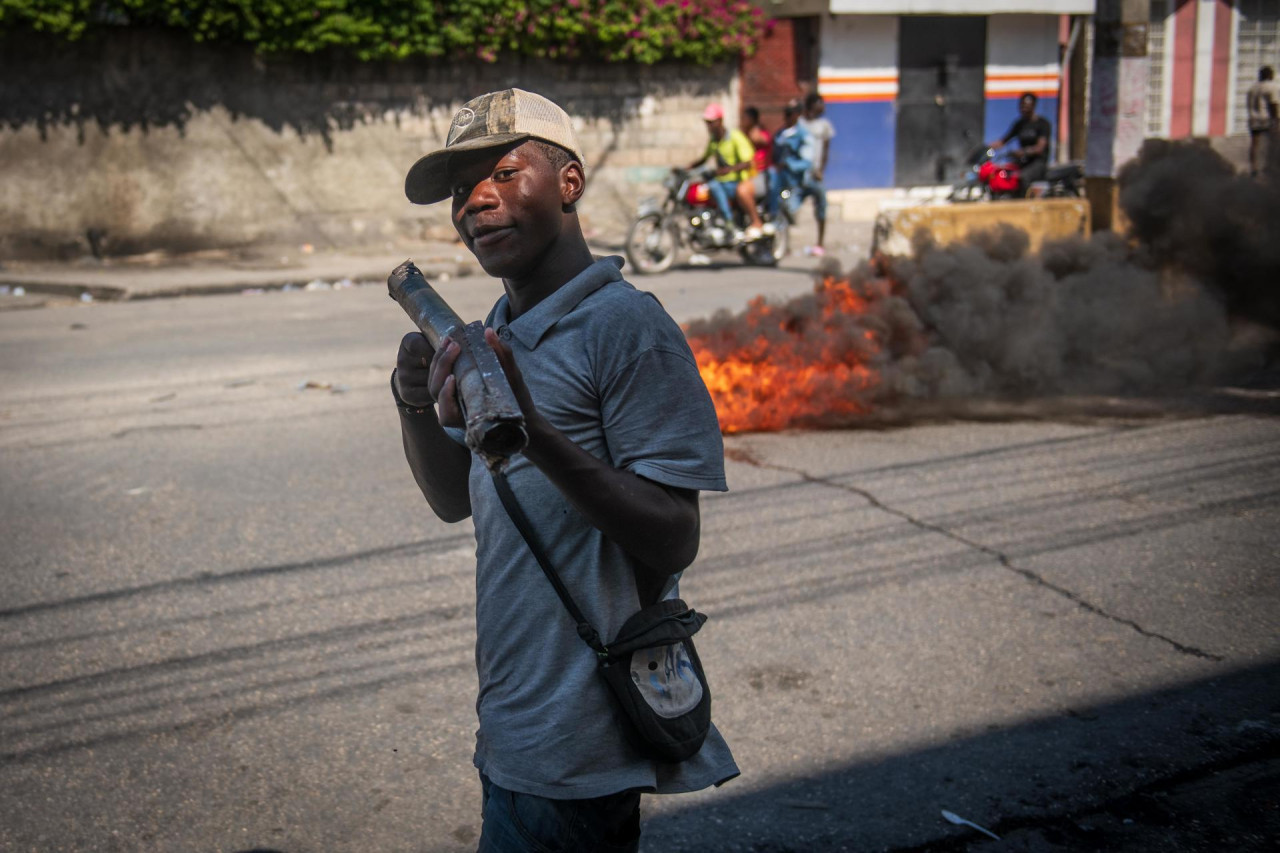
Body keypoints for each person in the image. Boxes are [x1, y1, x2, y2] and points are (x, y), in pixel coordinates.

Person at [393, 88, 739, 853]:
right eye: (461, 190)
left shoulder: (627, 328)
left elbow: (675, 536)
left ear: (570, 184)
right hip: (514, 723)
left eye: (505, 174)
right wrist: (415, 406)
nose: (477, 202)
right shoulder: (490, 335)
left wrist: (534, 430)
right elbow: (458, 500)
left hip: (581, 742)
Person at [684, 103, 767, 241]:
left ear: (720, 121)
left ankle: (729, 222)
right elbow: (704, 158)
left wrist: (727, 170)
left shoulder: (735, 137)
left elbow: (748, 162)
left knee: (714, 185)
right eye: (707, 123)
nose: (709, 126)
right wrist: (687, 167)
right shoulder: (714, 140)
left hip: (738, 182)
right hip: (724, 182)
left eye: (711, 122)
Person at [988, 92, 1051, 197]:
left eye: (1026, 106)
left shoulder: (1042, 124)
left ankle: (1024, 204)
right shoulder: (1020, 124)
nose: (1023, 109)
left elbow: (1040, 148)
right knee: (1005, 174)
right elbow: (1003, 141)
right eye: (1021, 106)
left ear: (1033, 106)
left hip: (1038, 162)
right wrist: (986, 148)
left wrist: (1024, 152)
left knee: (1022, 177)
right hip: (1023, 162)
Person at [798, 92, 834, 255]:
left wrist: (821, 170)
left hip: (815, 176)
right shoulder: (799, 123)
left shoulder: (824, 125)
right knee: (787, 205)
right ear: (812, 105)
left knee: (820, 207)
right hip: (798, 174)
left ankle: (820, 243)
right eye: (820, 103)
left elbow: (826, 150)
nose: (823, 107)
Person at [769, 99, 812, 219]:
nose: (786, 116)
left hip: (793, 178)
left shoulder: (803, 135)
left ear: (797, 114)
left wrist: (788, 164)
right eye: (786, 112)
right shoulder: (780, 133)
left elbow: (807, 163)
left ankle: (775, 213)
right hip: (779, 174)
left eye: (790, 113)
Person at [1247, 66, 1279, 176]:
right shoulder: (1271, 87)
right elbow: (1273, 105)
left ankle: (1254, 167)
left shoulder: (1253, 88)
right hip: (1266, 118)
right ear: (1270, 75)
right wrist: (1276, 120)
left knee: (1255, 144)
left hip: (1253, 118)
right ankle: (1270, 166)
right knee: (1273, 142)